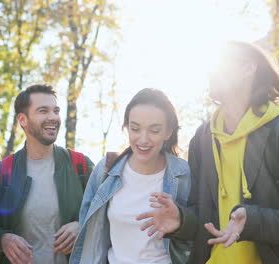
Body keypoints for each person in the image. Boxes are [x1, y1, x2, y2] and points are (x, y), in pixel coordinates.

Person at [137, 41, 279, 263]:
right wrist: (181, 219)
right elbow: (202, 218)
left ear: (249, 68)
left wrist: (251, 220)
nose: (212, 72)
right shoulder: (202, 139)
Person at [70, 88, 191, 264]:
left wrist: (181, 219)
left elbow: (194, 232)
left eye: (154, 131)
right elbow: (88, 232)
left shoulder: (183, 174)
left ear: (168, 132)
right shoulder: (106, 169)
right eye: (135, 128)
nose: (143, 139)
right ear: (126, 127)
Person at [0, 84, 94, 264]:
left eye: (56, 111)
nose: (53, 117)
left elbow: (107, 215)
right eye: (43, 111)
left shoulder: (80, 165)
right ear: (23, 120)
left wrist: (81, 226)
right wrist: (2, 239)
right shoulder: (2, 172)